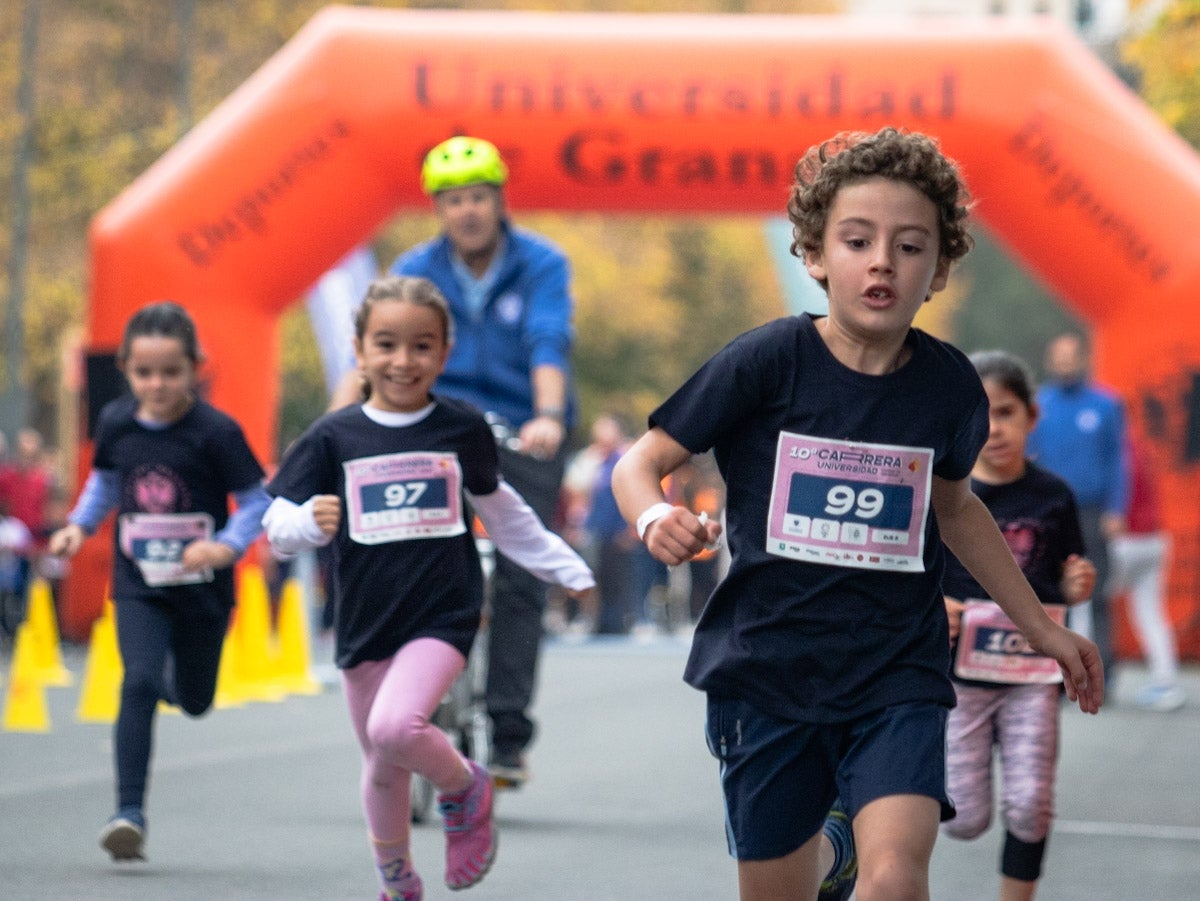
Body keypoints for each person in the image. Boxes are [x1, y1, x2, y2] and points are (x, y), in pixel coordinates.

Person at [610, 126, 1103, 901]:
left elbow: (957, 509)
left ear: (938, 270)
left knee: (896, 880)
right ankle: (828, 845)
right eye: (857, 240)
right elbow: (639, 464)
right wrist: (652, 519)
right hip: (768, 673)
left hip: (895, 674)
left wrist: (1043, 627)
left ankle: (852, 846)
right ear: (814, 255)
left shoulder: (948, 390)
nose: (882, 261)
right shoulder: (767, 361)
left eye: (910, 247)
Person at [262, 275, 593, 901]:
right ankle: (398, 881)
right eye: (386, 344)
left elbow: (503, 512)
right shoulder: (335, 436)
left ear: (444, 354)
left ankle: (466, 786)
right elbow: (276, 521)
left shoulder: (459, 429)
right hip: (363, 620)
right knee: (382, 767)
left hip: (441, 615)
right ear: (359, 352)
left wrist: (560, 564)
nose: (402, 361)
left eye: (421, 346)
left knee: (394, 728)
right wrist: (306, 522)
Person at [47, 301, 271, 862]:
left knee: (194, 700)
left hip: (203, 589)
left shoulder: (217, 431)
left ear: (196, 366)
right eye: (145, 373)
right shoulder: (117, 421)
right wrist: (78, 525)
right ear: (125, 368)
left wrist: (226, 546)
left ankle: (176, 681)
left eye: (171, 372)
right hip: (139, 582)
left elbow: (254, 501)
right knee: (137, 681)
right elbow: (104, 484)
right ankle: (128, 813)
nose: (158, 384)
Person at [385, 135, 578, 787]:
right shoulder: (415, 269)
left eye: (477, 197)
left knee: (521, 576)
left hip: (518, 429)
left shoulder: (541, 263)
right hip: (435, 426)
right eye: (452, 200)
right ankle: (416, 695)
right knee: (414, 560)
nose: (466, 210)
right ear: (438, 209)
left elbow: (547, 341)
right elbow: (388, 353)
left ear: (498, 200)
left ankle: (507, 730)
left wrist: (547, 417)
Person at [940, 350, 1096, 901]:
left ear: (1032, 415)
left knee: (1031, 802)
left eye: (1005, 412)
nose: (994, 429)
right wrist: (936, 605)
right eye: (980, 417)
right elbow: (910, 575)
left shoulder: (1055, 496)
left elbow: (1067, 576)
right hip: (960, 682)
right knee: (963, 818)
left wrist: (1077, 587)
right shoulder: (946, 496)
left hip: (1032, 681)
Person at [1028, 331, 1128, 687]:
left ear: (1082, 359)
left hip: (1091, 510)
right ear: (1050, 361)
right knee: (1055, 591)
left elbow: (1118, 458)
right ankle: (1060, 671)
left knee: (1097, 593)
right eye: (1060, 356)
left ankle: (1106, 672)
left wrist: (1117, 507)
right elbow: (1027, 458)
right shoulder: (1039, 405)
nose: (1066, 362)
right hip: (1051, 511)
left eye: (1071, 356)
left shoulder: (1106, 404)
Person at [1106, 436, 1185, 711]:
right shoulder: (1142, 445)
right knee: (1150, 613)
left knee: (1088, 606)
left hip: (1125, 540)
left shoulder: (1116, 449)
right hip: (1155, 538)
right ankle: (1166, 683)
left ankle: (1080, 678)